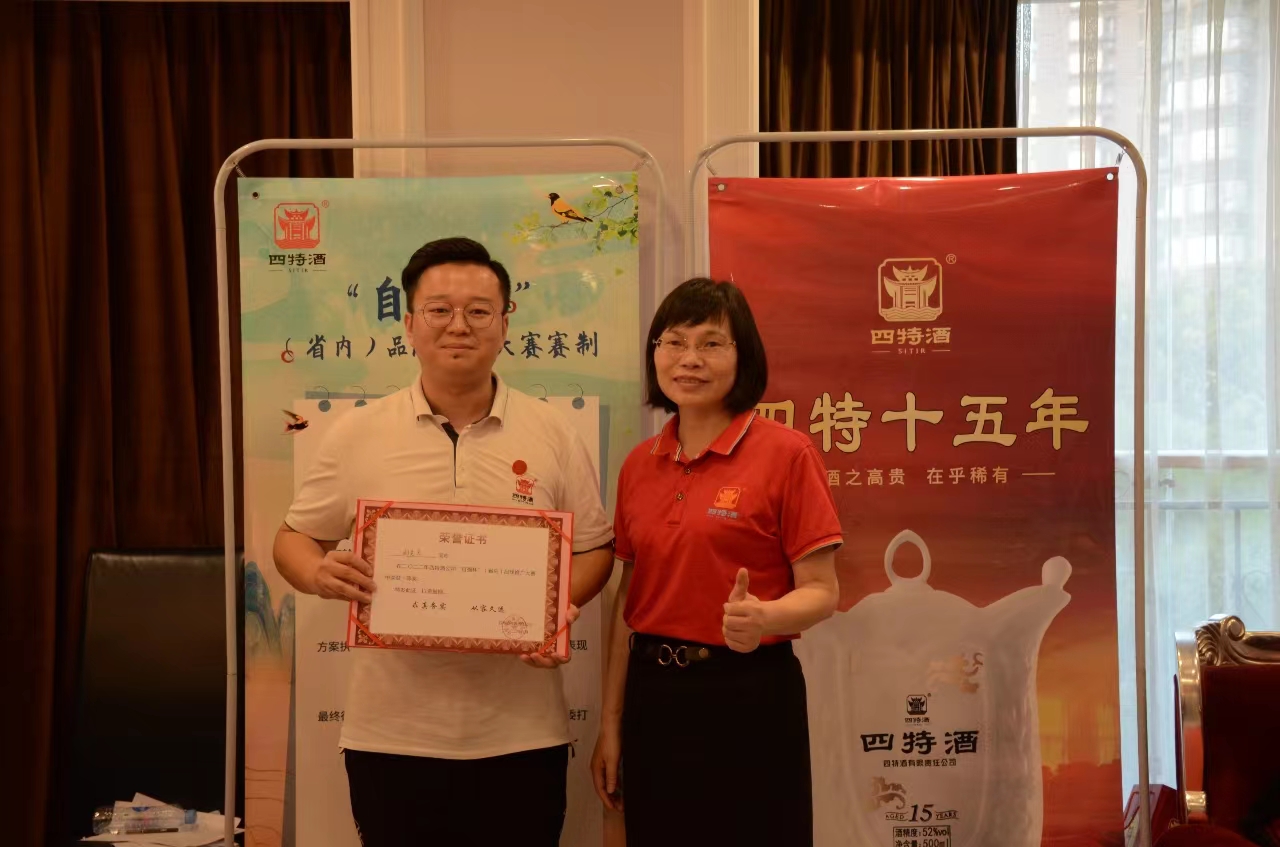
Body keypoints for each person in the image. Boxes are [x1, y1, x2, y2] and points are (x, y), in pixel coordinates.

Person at [274, 237, 615, 847]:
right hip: (391, 738)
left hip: (523, 735)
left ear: (506, 322)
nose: (459, 325)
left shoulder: (553, 432)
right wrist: (317, 573)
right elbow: (294, 537)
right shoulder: (357, 432)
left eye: (479, 311)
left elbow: (594, 548)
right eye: (439, 310)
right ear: (409, 322)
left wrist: (558, 608)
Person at [590, 277, 843, 847]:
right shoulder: (639, 464)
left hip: (749, 693)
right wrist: (611, 723)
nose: (690, 359)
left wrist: (766, 617)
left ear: (743, 356)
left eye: (711, 343)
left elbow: (823, 590)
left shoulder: (787, 454)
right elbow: (629, 601)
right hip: (654, 696)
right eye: (674, 342)